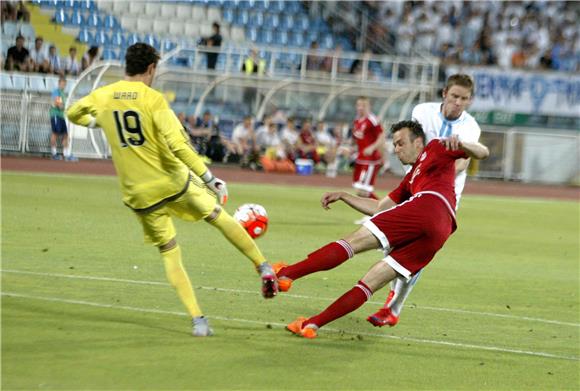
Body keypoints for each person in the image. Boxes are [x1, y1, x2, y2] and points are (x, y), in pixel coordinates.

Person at [66, 43, 278, 337]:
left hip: (138, 195)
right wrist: (209, 178)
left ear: (127, 65)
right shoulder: (152, 99)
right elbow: (178, 144)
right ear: (151, 68)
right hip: (171, 182)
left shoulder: (104, 95)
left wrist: (95, 122)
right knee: (217, 215)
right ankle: (263, 266)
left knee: (169, 252)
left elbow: (73, 112)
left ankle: (198, 321)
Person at [274, 120, 489, 338]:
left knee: (353, 243)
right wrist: (344, 195)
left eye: (400, 143)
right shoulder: (410, 179)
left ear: (418, 142)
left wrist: (463, 144)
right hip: (440, 230)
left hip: (428, 205)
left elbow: (483, 152)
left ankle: (286, 274)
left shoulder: (435, 146)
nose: (396, 149)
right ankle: (311, 325)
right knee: (371, 282)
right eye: (394, 145)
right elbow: (378, 207)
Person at [368, 74, 483, 328]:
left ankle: (393, 307)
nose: (458, 103)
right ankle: (392, 300)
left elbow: (463, 162)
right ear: (444, 94)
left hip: (442, 198)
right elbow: (413, 141)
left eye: (464, 99)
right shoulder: (423, 111)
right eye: (454, 96)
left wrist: (448, 161)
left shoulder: (470, 127)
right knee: (391, 245)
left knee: (415, 253)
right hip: (413, 187)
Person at [352, 96, 385, 200]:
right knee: (358, 189)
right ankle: (380, 211)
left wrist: (372, 147)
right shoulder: (357, 120)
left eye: (364, 105)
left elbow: (382, 136)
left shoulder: (372, 120)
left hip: (370, 159)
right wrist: (351, 149)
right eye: (359, 105)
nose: (361, 108)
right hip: (360, 158)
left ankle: (382, 211)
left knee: (364, 191)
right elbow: (358, 139)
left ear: (369, 106)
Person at [49, 77, 77, 161]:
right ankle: (54, 154)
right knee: (55, 134)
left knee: (65, 134)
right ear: (59, 83)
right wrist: (67, 108)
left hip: (61, 116)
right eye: (62, 83)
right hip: (56, 115)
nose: (63, 85)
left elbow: (62, 105)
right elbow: (59, 105)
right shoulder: (56, 92)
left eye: (64, 84)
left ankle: (66, 154)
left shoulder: (63, 93)